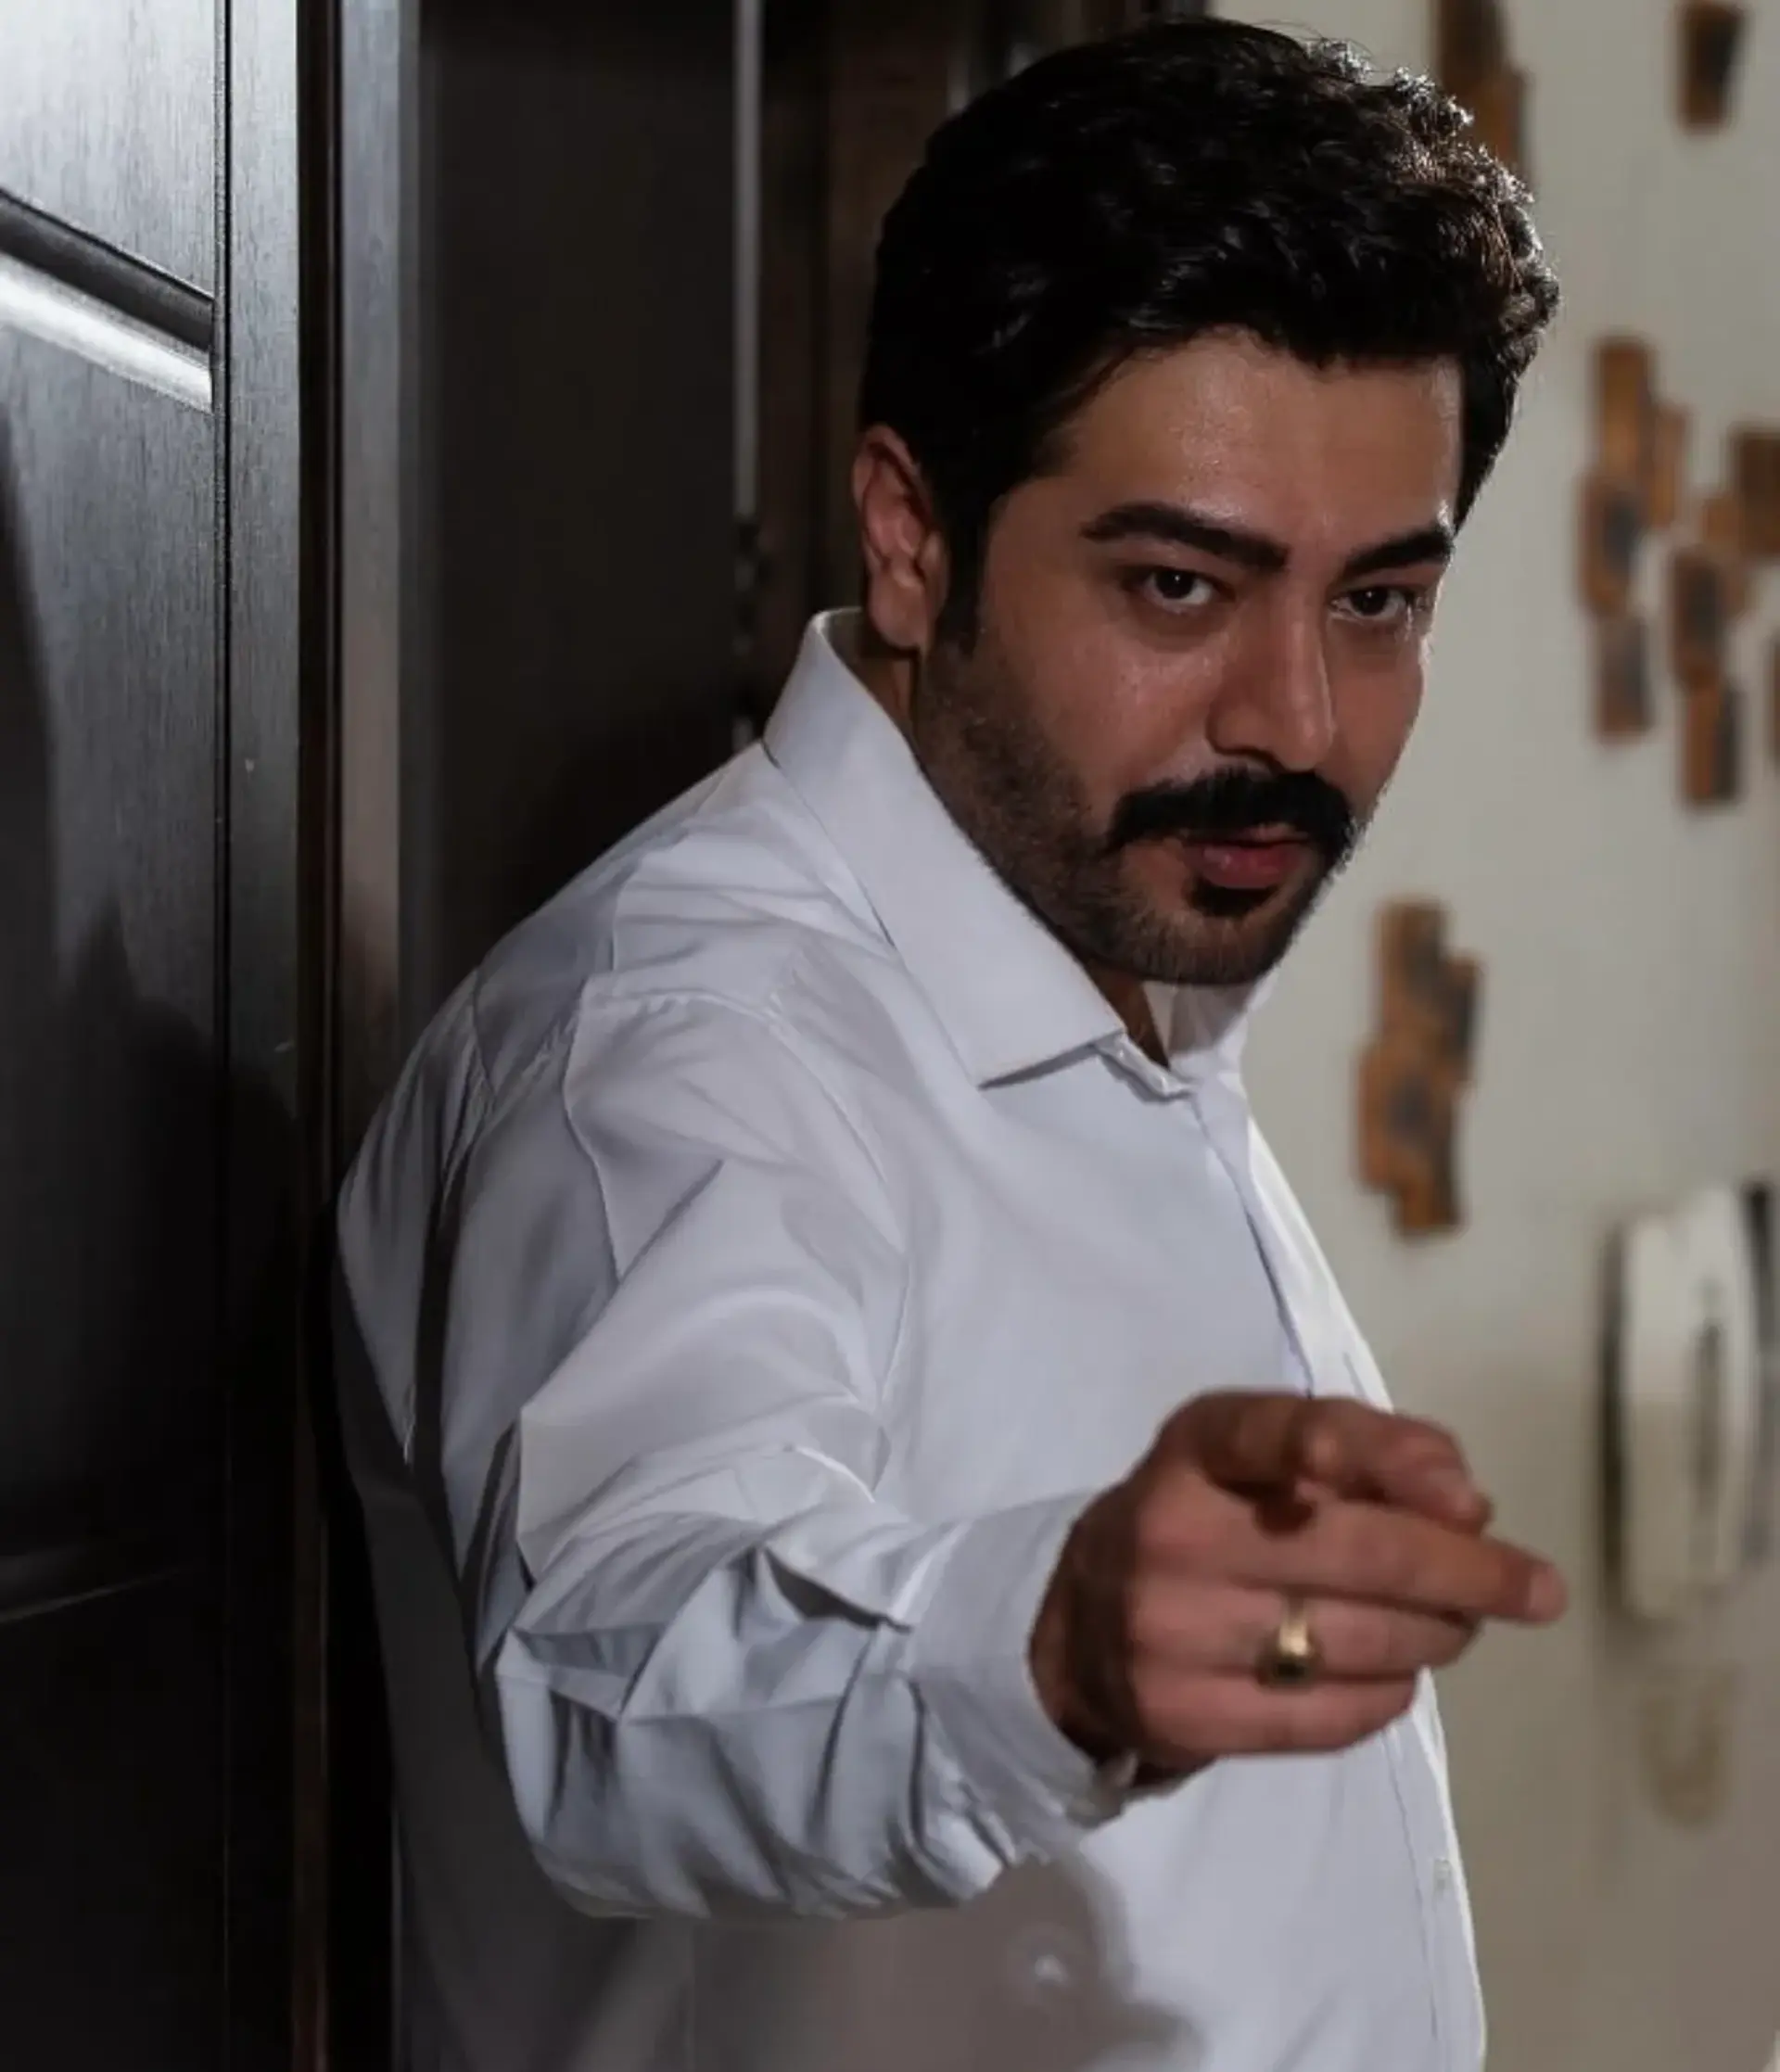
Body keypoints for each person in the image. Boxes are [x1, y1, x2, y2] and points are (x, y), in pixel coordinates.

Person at [334, 19, 1567, 2072]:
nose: (1295, 717)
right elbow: (629, 1657)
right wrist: (1056, 1646)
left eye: (1378, 603)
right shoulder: (683, 1039)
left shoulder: (1124, 971)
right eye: (1179, 583)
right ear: (911, 536)